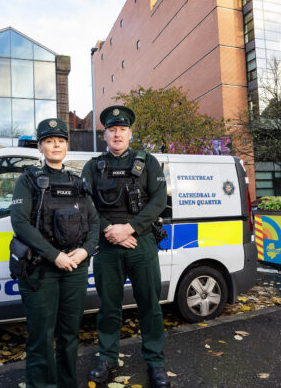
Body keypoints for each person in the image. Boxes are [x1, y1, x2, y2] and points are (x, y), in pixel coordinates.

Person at [82, 105, 170, 387]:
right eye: (112, 130)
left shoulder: (149, 162)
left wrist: (129, 228)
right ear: (104, 135)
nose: (117, 134)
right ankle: (107, 358)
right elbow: (86, 204)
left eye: (122, 129)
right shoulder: (93, 166)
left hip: (141, 242)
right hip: (107, 246)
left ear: (130, 133)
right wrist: (110, 229)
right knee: (109, 307)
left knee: (150, 305)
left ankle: (155, 362)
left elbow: (159, 201)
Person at [10, 118, 99, 388]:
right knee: (41, 337)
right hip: (41, 270)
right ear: (40, 147)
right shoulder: (28, 181)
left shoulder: (78, 182)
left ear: (66, 146)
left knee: (70, 335)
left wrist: (84, 252)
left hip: (74, 269)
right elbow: (20, 223)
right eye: (49, 141)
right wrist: (54, 255)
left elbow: (95, 223)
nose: (55, 145)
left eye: (60, 140)